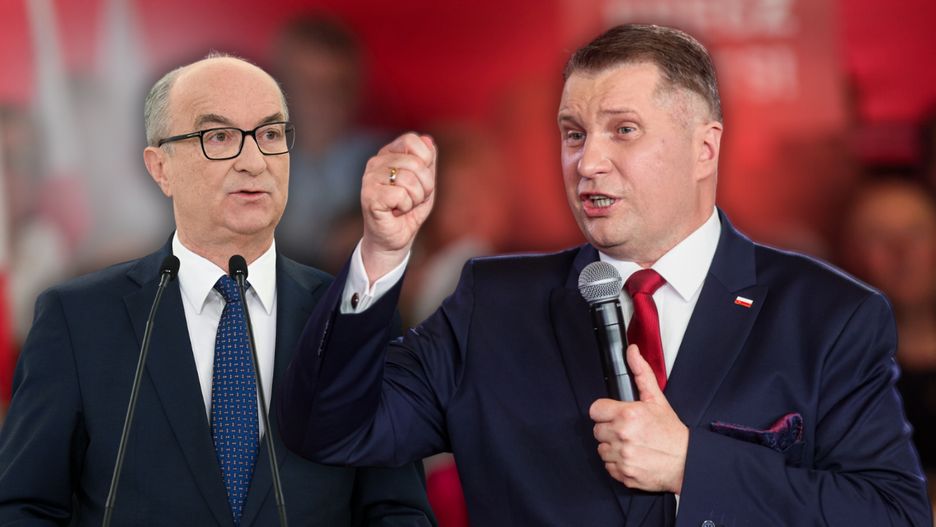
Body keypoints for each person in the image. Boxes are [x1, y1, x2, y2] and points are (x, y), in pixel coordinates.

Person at [276, 24, 932, 525]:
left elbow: (893, 514)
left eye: (623, 130)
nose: (588, 162)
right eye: (573, 133)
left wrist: (694, 467)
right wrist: (381, 255)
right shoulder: (492, 305)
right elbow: (330, 428)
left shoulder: (828, 315)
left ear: (704, 148)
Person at [0, 54, 434, 526]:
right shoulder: (78, 321)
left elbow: (397, 510)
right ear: (160, 167)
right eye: (219, 137)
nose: (253, 161)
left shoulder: (353, 319)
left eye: (270, 135)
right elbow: (24, 507)